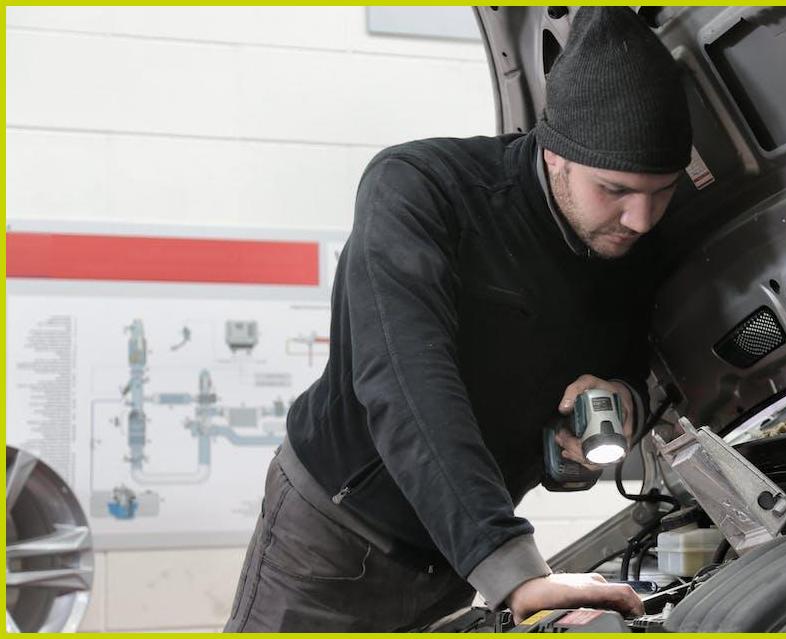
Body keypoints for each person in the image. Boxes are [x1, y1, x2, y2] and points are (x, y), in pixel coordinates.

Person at [224, 7, 691, 632]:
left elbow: (636, 364)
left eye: (660, 193)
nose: (640, 219)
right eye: (615, 191)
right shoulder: (422, 190)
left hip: (455, 560)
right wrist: (512, 567)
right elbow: (407, 384)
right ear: (555, 154)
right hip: (334, 543)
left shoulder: (636, 244)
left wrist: (622, 407)